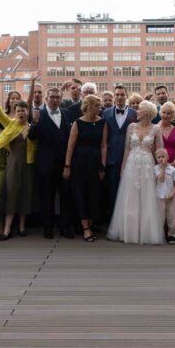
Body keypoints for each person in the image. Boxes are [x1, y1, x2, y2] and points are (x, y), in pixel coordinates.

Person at [107, 100, 165, 245]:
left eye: (139, 109)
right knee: (130, 197)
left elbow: (160, 151)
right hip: (132, 164)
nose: (136, 111)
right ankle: (129, 232)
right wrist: (123, 167)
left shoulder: (156, 129)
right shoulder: (131, 127)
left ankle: (146, 233)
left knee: (147, 198)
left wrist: (162, 169)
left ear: (146, 112)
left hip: (147, 165)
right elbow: (127, 148)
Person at [0, 85, 36, 240]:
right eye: (19, 110)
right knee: (12, 193)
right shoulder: (10, 124)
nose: (21, 112)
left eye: (24, 110)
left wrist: (33, 83)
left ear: (27, 112)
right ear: (15, 112)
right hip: (13, 164)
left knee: (25, 194)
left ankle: (21, 227)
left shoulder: (31, 128)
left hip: (28, 165)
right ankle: (7, 229)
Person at [30, 87, 74, 239]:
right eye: (52, 97)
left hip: (64, 163)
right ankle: (47, 227)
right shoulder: (39, 115)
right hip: (45, 164)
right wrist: (34, 123)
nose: (55, 100)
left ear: (61, 98)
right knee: (46, 196)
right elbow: (31, 137)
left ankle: (65, 227)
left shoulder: (68, 114)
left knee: (65, 195)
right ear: (46, 98)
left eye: (57, 97)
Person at [64, 94, 107, 242]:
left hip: (95, 163)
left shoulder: (103, 122)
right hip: (78, 162)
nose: (99, 108)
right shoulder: (77, 123)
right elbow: (70, 145)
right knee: (80, 193)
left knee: (94, 194)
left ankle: (90, 223)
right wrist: (67, 166)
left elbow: (103, 146)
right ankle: (86, 229)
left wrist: (103, 166)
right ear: (88, 106)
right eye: (97, 105)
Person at [103, 85, 137, 222]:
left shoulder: (135, 114)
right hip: (111, 158)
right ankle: (113, 222)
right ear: (114, 97)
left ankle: (127, 221)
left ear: (126, 96)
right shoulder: (105, 113)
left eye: (122, 95)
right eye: (117, 95)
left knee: (129, 192)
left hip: (130, 157)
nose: (119, 97)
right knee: (112, 192)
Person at [157, 102, 175, 239]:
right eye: (164, 112)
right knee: (159, 199)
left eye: (169, 113)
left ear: (173, 115)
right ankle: (159, 231)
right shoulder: (155, 128)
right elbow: (152, 148)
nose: (166, 115)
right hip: (159, 166)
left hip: (173, 168)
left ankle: (173, 232)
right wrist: (160, 163)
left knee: (173, 200)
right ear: (160, 113)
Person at [154, 149, 175, 244]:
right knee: (160, 217)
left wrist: (172, 193)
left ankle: (172, 235)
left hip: (170, 197)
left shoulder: (174, 170)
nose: (161, 159)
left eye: (163, 156)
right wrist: (163, 169)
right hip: (159, 196)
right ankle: (160, 234)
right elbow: (160, 179)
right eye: (159, 157)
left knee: (171, 216)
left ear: (168, 157)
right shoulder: (156, 168)